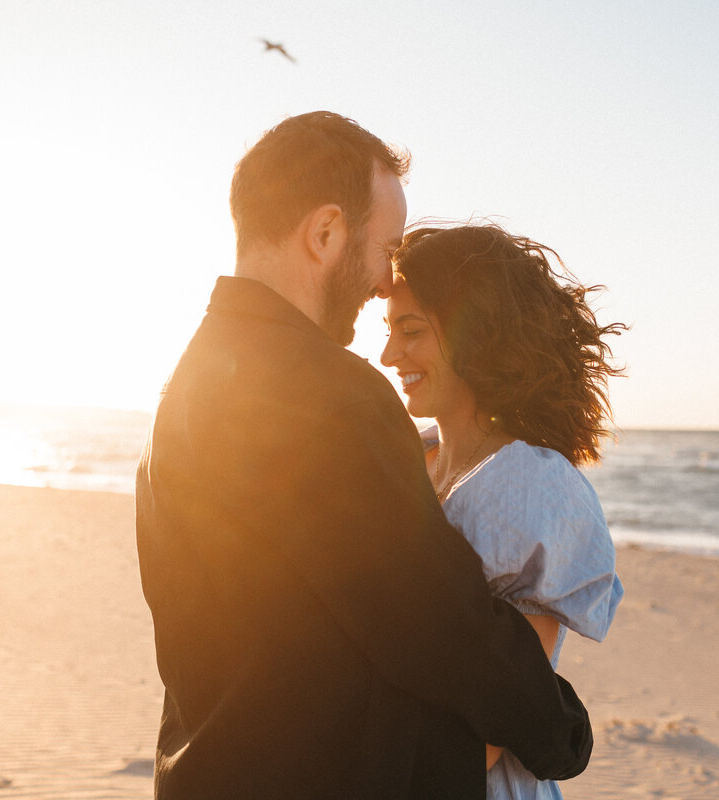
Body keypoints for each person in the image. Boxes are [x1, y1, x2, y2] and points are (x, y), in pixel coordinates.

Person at [135, 112, 593, 799]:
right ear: (324, 233)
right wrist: (561, 729)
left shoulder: (184, 388)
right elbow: (438, 624)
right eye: (384, 248)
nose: (385, 279)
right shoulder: (331, 396)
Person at [381, 223, 626, 800]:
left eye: (410, 331)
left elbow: (507, 702)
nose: (390, 354)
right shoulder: (405, 455)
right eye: (388, 331)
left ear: (477, 332)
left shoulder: (533, 485)